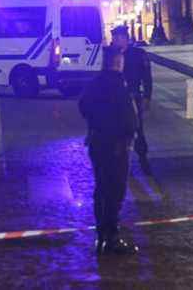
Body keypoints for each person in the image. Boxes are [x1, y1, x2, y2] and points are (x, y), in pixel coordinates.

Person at [79, 46, 139, 255]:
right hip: (117, 145)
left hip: (97, 142)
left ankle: (101, 233)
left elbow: (83, 107)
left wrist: (98, 122)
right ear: (117, 62)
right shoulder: (119, 85)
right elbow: (128, 118)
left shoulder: (94, 84)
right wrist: (128, 133)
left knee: (101, 187)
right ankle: (112, 236)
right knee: (116, 190)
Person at [110, 25, 153, 169]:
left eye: (119, 38)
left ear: (126, 39)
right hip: (115, 98)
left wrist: (147, 96)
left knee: (137, 128)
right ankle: (120, 159)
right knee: (117, 130)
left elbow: (147, 77)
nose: (116, 41)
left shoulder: (138, 54)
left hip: (133, 96)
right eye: (114, 38)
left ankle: (142, 157)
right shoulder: (109, 55)